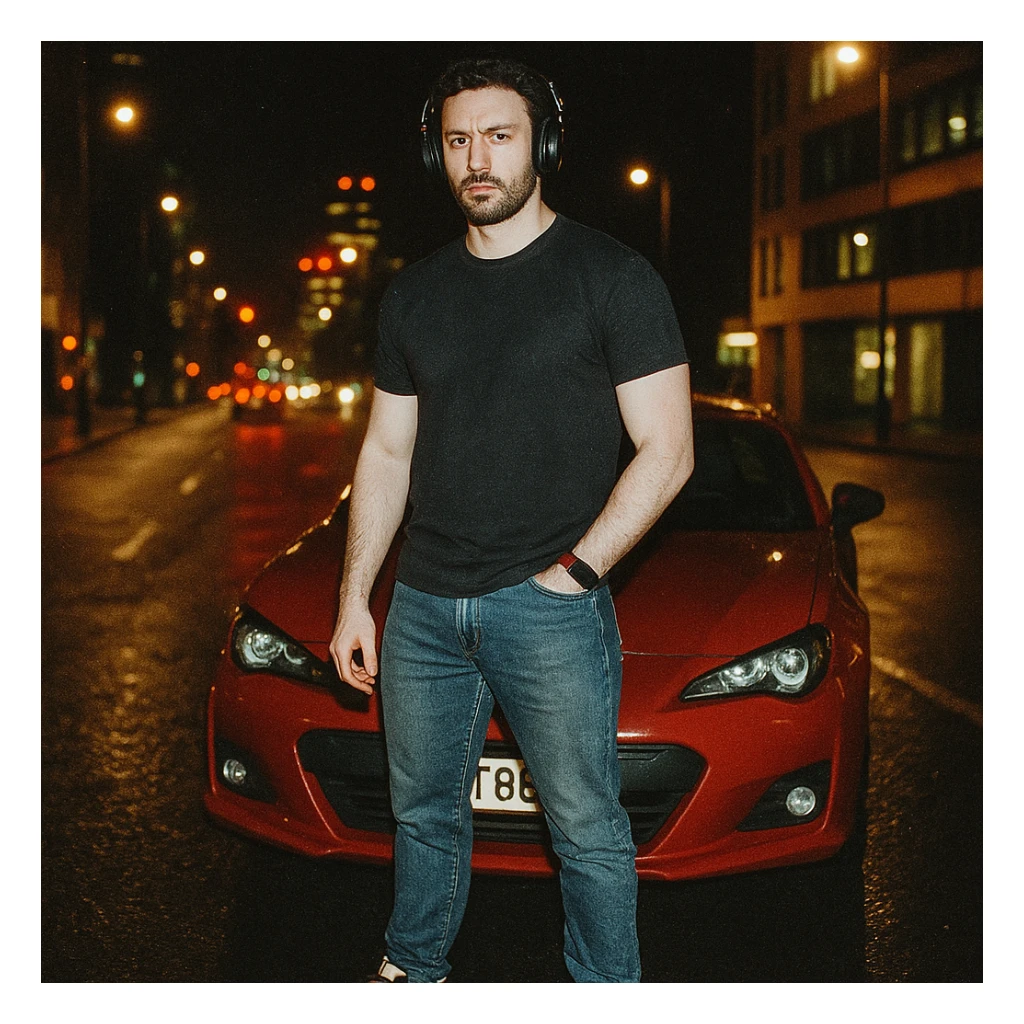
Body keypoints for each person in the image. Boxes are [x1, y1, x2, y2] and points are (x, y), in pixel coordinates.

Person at [329, 56, 694, 984]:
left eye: (499, 135)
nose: (476, 159)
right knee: (423, 815)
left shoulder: (611, 278)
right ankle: (414, 972)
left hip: (549, 607)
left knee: (585, 826)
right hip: (421, 608)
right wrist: (355, 599)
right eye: (458, 140)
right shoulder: (414, 295)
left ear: (545, 144)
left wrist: (576, 573)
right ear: (437, 155)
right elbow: (385, 454)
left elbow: (668, 452)